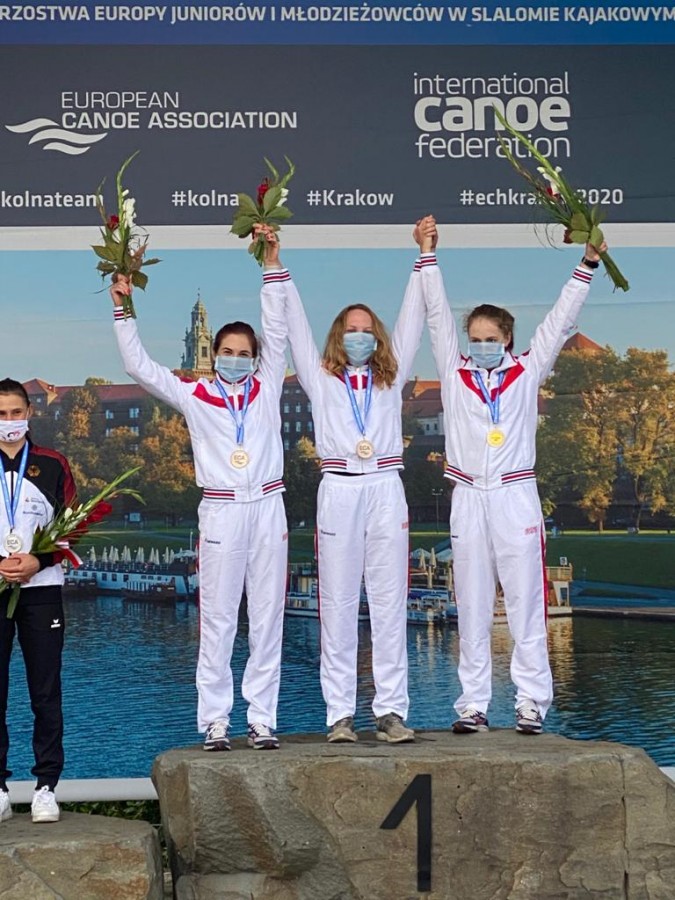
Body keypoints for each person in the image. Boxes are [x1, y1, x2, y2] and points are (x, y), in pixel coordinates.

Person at [420, 223, 606, 735]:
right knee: (472, 604)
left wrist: (587, 265)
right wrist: (428, 257)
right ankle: (473, 705)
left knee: (526, 603)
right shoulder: (453, 372)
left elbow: (560, 321)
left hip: (515, 493)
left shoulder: (527, 370)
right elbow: (436, 316)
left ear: (507, 339)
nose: (482, 346)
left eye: (491, 339)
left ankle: (530, 703)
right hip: (468, 495)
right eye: (475, 339)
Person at [110, 241, 288, 752]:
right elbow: (139, 366)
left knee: (268, 617)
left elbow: (276, 326)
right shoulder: (194, 394)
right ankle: (215, 721)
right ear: (215, 353)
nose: (234, 359)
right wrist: (123, 309)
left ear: (256, 359)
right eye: (226, 352)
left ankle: (262, 720)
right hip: (222, 509)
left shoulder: (268, 387)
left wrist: (270, 265)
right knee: (218, 619)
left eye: (243, 353)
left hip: (267, 506)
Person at [260, 221, 434, 743]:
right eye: (351, 329)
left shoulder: (391, 377)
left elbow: (413, 320)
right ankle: (339, 714)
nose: (360, 336)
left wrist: (424, 256)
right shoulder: (319, 378)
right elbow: (293, 325)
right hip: (338, 487)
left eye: (367, 329)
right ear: (339, 336)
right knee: (336, 602)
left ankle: (390, 712)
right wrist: (274, 265)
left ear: (376, 337)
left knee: (389, 600)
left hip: (384, 485)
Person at [0, 378, 77, 823]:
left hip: (42, 590)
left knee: (45, 692)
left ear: (29, 413)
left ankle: (46, 786)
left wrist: (38, 559)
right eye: (1, 414)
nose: (9, 421)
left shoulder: (52, 464)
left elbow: (74, 526)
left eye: (16, 412)